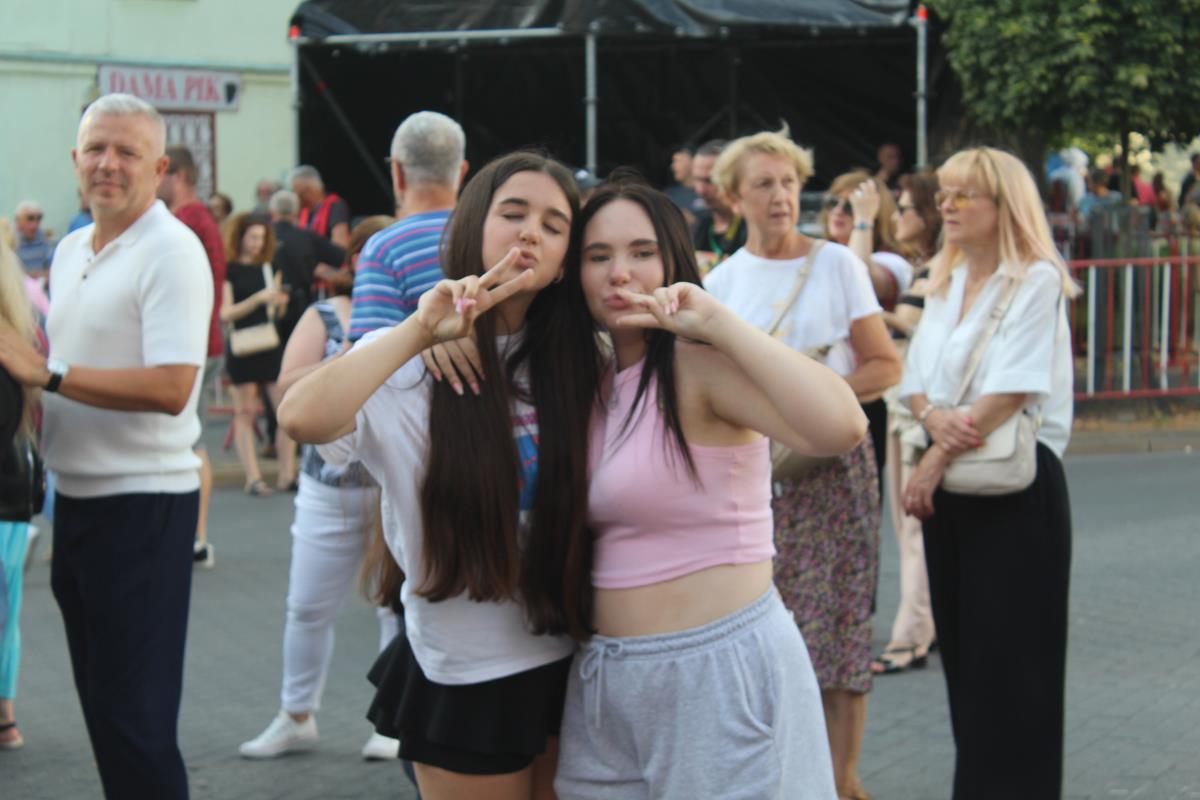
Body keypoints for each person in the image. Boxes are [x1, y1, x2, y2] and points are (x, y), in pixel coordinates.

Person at [279, 152, 582, 800]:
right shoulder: (411, 364)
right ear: (472, 225)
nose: (531, 232)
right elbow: (300, 417)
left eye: (554, 225)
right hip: (466, 675)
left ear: (565, 261)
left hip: (581, 662)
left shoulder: (585, 363)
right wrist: (418, 331)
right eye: (513, 213)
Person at [551, 178, 866, 798]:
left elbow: (842, 427)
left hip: (720, 673)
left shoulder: (698, 365)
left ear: (672, 260)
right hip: (605, 680)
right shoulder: (589, 381)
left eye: (642, 252)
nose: (619, 272)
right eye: (597, 255)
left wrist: (718, 321)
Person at [0, 93, 213, 799]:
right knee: (106, 715)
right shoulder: (69, 250)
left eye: (127, 152)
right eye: (96, 148)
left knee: (135, 725)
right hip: (77, 504)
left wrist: (48, 372)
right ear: (75, 160)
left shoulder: (172, 251)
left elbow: (174, 386)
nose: (108, 164)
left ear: (159, 168)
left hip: (144, 509)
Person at [703, 128, 902, 800]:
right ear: (735, 197)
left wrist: (811, 400)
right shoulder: (720, 282)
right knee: (759, 627)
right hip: (753, 476)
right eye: (764, 183)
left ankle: (843, 784)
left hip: (832, 473)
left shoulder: (836, 264)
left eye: (789, 181)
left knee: (840, 629)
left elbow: (885, 364)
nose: (781, 195)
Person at [899, 146, 1077, 799]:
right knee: (969, 669)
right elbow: (913, 381)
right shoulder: (943, 281)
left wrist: (935, 452)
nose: (946, 205)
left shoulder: (1035, 280)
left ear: (1004, 205)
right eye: (943, 193)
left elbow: (1013, 389)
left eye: (963, 195)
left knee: (1016, 674)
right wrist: (933, 419)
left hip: (1015, 493)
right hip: (952, 492)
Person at [239, 216, 402, 761]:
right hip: (327, 488)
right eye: (370, 253)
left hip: (393, 487)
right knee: (307, 607)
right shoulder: (326, 314)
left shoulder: (416, 311)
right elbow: (287, 385)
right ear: (353, 262)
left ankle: (391, 723)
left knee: (395, 607)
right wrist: (349, 360)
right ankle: (296, 715)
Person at [873, 171, 942, 675]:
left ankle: (912, 635)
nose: (897, 217)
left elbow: (913, 328)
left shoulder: (936, 268)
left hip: (914, 407)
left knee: (910, 521)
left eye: (905, 209)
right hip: (911, 404)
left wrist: (869, 316)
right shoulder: (930, 266)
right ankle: (924, 626)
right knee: (912, 523)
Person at [821, 170, 911, 493]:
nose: (838, 211)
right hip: (819, 401)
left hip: (866, 397)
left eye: (850, 206)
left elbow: (859, 279)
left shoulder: (891, 261)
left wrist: (863, 222)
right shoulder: (817, 259)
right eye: (833, 202)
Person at [159, 144, 226, 568]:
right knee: (190, 441)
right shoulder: (198, 219)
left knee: (191, 442)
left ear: (178, 175)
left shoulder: (187, 220)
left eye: (161, 171)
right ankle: (193, 536)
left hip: (195, 346)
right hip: (203, 342)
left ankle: (196, 538)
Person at [348, 110, 468, 343]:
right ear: (462, 171)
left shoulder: (384, 251)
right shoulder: (492, 235)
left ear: (397, 171)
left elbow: (372, 355)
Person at [220, 212, 296, 495]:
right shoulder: (229, 270)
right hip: (242, 346)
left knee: (285, 412)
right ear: (239, 237)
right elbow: (226, 313)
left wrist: (280, 302)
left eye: (261, 238)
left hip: (268, 344)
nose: (257, 243)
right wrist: (257, 299)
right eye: (252, 237)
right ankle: (252, 477)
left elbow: (276, 313)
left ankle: (287, 474)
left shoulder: (270, 267)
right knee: (245, 413)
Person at [0, 237, 42, 751]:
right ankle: (5, 713)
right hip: (11, 497)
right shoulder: (13, 333)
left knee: (4, 611)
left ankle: (5, 713)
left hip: (7, 500)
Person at [690, 140, 747, 271]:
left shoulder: (754, 228)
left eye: (709, 180)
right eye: (697, 179)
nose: (700, 190)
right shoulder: (698, 224)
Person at [290, 165, 351, 248]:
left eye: (299, 194)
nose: (297, 199)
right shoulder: (304, 212)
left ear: (309, 191)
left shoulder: (335, 207)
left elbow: (340, 245)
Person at [13, 200, 55, 283]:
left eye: (39, 218)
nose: (35, 224)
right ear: (18, 221)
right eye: (30, 218)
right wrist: (37, 275)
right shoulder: (11, 242)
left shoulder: (45, 240)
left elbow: (53, 270)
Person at [663, 143, 701, 224]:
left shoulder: (707, 191)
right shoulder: (669, 195)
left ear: (693, 161)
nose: (673, 166)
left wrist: (695, 223)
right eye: (673, 162)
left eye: (678, 161)